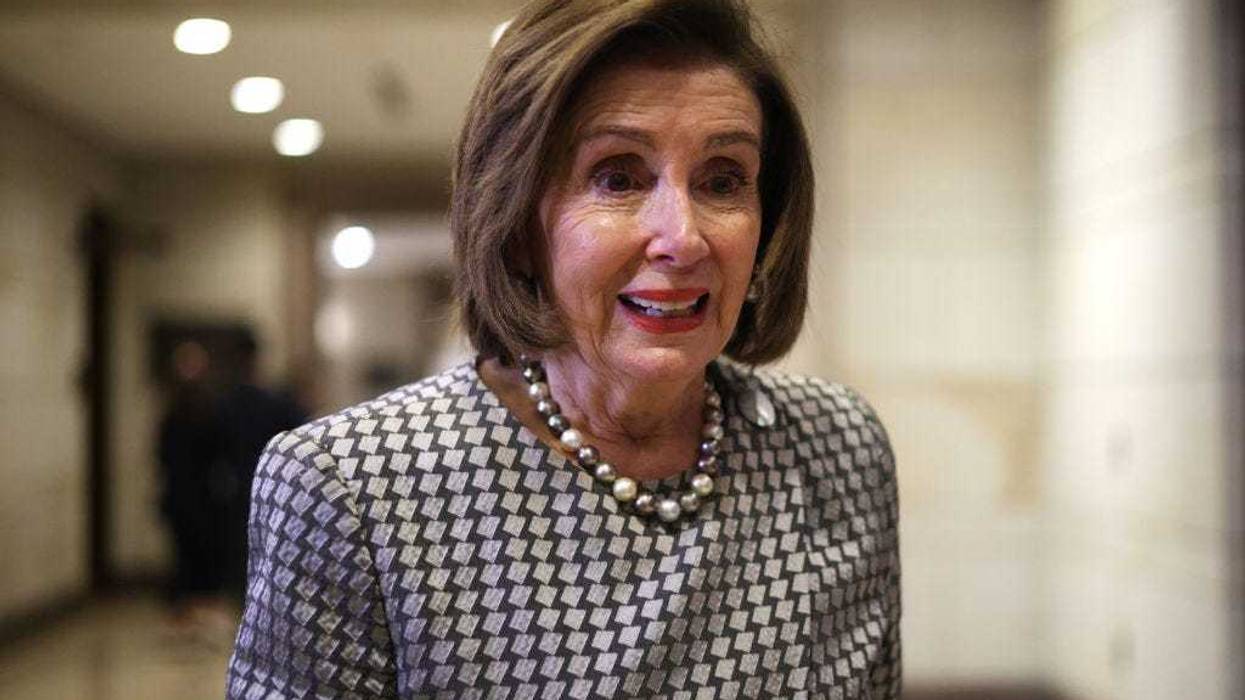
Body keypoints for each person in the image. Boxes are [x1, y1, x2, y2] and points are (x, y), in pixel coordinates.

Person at [227, 0, 901, 697]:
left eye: (723, 180)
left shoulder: (836, 450)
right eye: (617, 177)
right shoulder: (351, 486)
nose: (683, 238)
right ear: (518, 223)